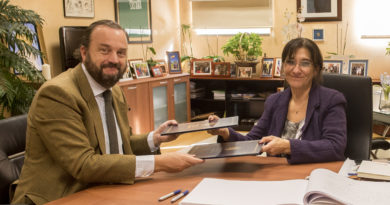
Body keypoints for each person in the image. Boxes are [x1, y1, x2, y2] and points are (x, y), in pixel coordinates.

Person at [12, 20, 203, 204]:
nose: (114, 59)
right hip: (61, 196)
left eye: (121, 53)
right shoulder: (58, 93)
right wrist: (160, 163)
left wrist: (154, 138)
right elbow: (83, 164)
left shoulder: (114, 90)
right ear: (84, 53)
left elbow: (121, 145)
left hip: (103, 189)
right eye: (104, 50)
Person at [208, 37, 347, 164]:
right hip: (278, 175)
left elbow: (335, 147)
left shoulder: (332, 100)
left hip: (314, 175)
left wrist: (289, 147)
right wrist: (226, 132)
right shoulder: (274, 101)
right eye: (290, 62)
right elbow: (253, 141)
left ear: (316, 69)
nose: (296, 70)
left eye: (305, 63)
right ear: (284, 67)